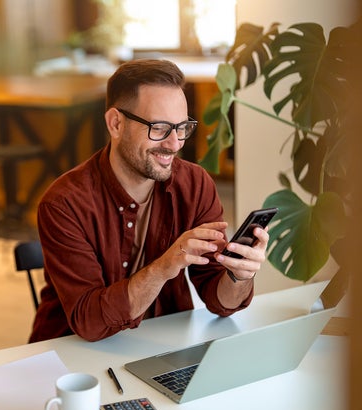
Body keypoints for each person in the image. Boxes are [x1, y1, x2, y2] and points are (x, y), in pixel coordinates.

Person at [29, 59, 269, 343]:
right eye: (159, 128)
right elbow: (90, 323)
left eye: (181, 127)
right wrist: (164, 267)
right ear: (115, 123)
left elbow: (220, 302)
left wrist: (239, 276)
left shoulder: (195, 185)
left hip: (157, 346)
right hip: (72, 356)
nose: (175, 143)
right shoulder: (64, 203)